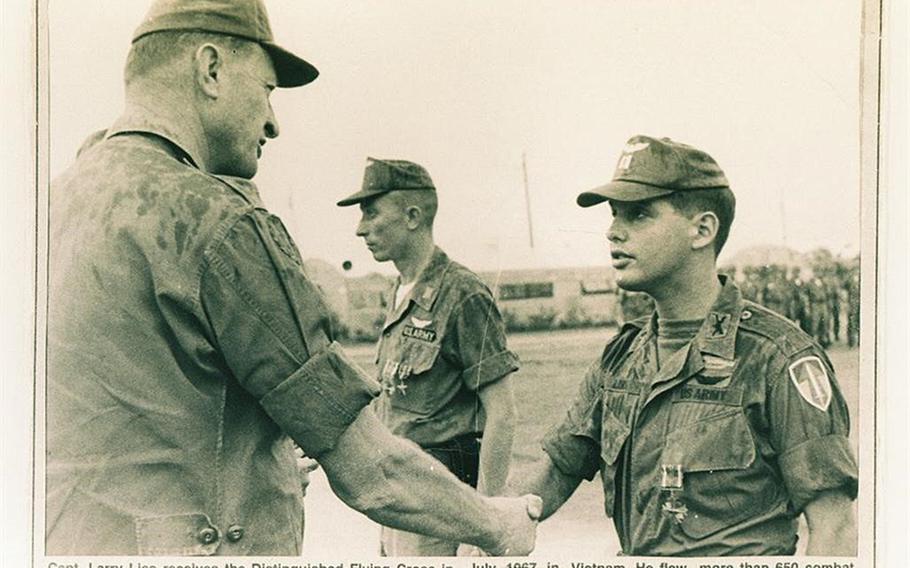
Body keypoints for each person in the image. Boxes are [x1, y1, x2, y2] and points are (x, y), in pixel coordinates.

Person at [46, 0, 540, 556]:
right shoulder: (219, 221)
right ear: (210, 69)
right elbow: (370, 470)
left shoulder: (47, 207)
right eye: (267, 89)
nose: (273, 122)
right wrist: (498, 524)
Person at [508, 135, 858, 556]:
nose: (613, 231)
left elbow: (835, 528)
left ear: (702, 230)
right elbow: (557, 469)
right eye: (615, 215)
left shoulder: (778, 357)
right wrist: (483, 521)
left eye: (638, 215)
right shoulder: (622, 357)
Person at [337, 158, 520, 556]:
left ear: (413, 216)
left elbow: (502, 413)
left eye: (371, 212)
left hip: (443, 505)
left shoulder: (463, 294)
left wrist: (484, 522)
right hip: (400, 499)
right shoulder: (400, 292)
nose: (360, 227)